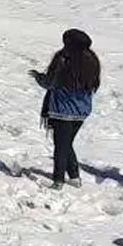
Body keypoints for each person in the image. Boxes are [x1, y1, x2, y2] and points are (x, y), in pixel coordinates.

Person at [39, 29, 101, 189]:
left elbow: (51, 83)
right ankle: (74, 177)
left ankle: (58, 180)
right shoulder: (92, 60)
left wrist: (39, 78)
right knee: (66, 143)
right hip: (81, 111)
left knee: (61, 146)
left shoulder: (64, 59)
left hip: (62, 110)